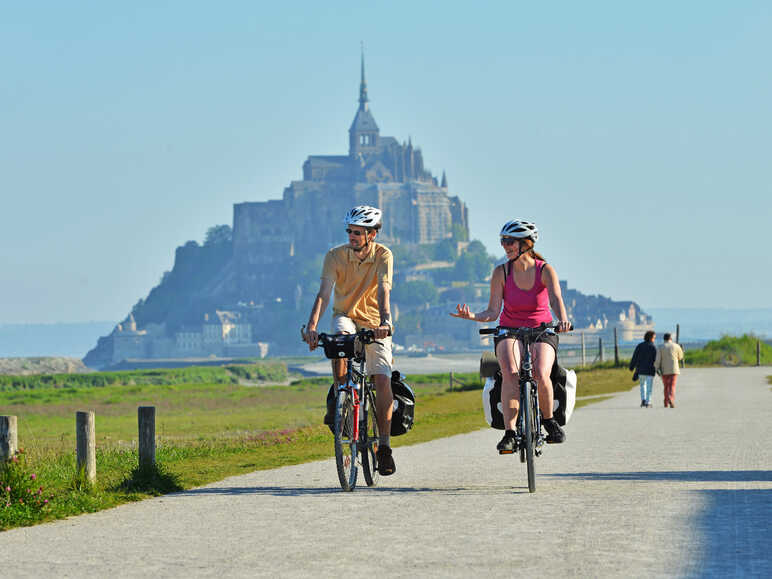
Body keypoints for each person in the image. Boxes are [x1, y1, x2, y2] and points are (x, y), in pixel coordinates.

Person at [450, 219, 571, 453]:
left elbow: (556, 299)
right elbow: (493, 311)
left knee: (540, 372)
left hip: (542, 329)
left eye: (510, 241)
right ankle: (510, 433)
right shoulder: (501, 272)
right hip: (509, 329)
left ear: (526, 244)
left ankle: (548, 421)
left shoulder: (544, 269)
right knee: (510, 373)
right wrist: (472, 316)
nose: (505, 246)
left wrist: (562, 320)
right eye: (503, 241)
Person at [302, 205, 397, 475]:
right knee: (338, 342)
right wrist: (311, 326)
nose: (352, 236)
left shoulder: (383, 255)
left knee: (381, 378)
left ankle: (386, 447)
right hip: (345, 315)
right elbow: (323, 293)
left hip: (374, 320)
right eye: (350, 231)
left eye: (358, 232)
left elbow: (384, 290)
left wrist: (385, 321)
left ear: (373, 234)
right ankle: (341, 398)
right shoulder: (334, 256)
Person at [655, 332, 684, 408]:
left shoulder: (660, 347)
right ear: (671, 338)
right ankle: (671, 398)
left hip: (664, 370)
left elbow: (658, 359)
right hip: (674, 369)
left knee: (666, 386)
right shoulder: (676, 346)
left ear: (664, 339)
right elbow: (680, 357)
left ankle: (666, 401)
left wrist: (656, 368)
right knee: (672, 385)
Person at [629, 330, 657, 407]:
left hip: (640, 370)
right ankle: (648, 402)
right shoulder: (653, 347)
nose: (654, 339)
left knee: (642, 386)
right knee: (649, 387)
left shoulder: (640, 346)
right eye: (654, 338)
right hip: (650, 370)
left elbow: (634, 357)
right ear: (651, 338)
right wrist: (658, 369)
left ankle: (643, 400)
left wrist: (631, 366)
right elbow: (656, 360)